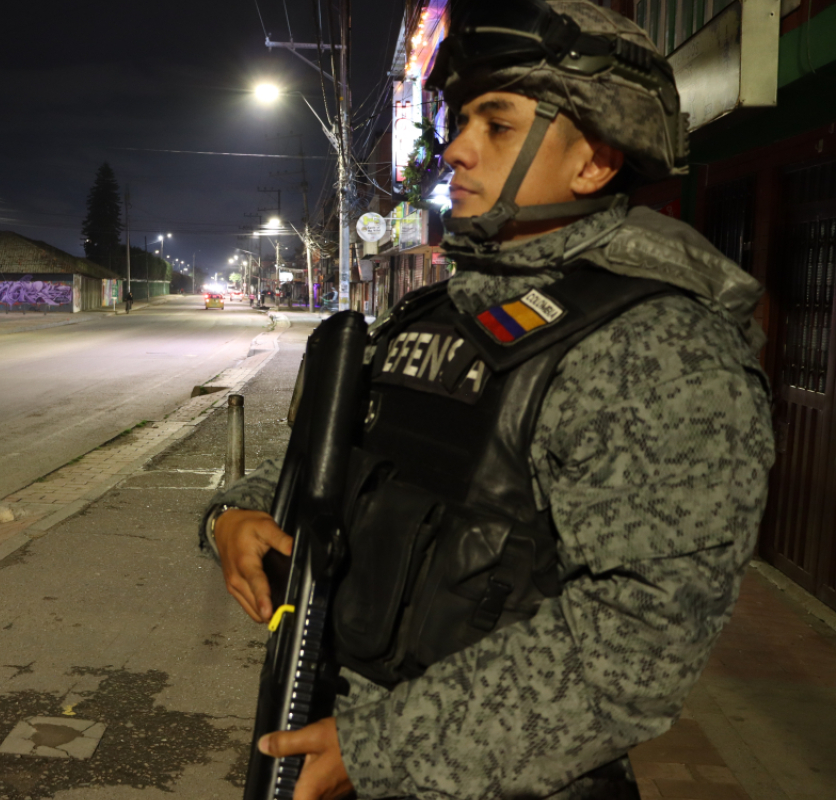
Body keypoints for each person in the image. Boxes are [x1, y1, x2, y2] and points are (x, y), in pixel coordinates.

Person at [199, 1, 774, 798]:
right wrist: (232, 515)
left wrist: (380, 747)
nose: (457, 151)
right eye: (460, 121)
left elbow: (637, 645)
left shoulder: (657, 348)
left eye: (497, 126)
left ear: (594, 162)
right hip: (340, 745)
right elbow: (334, 470)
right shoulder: (435, 315)